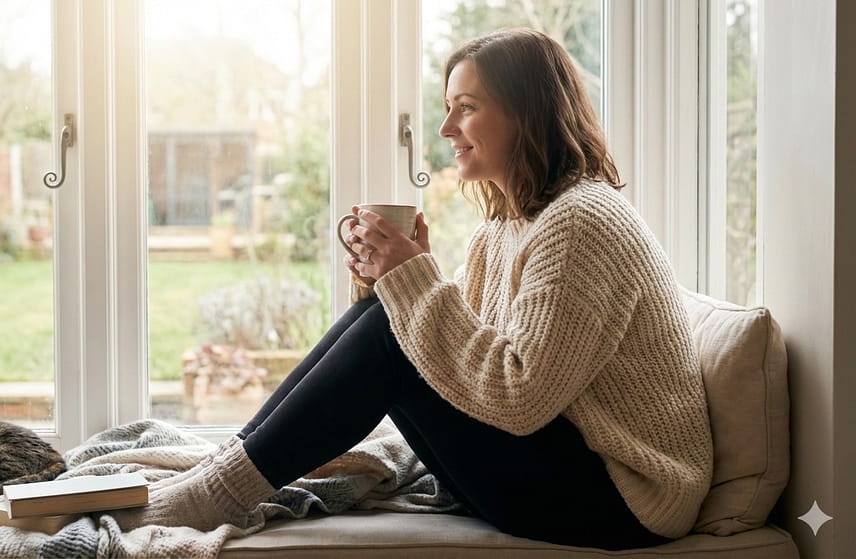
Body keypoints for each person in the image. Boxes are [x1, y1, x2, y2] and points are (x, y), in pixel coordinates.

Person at [117, 28, 713, 550]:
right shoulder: (508, 224)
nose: (447, 127)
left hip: (623, 501)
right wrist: (388, 278)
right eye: (448, 108)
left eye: (466, 107)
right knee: (383, 313)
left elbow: (520, 398)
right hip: (564, 468)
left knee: (390, 327)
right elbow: (456, 355)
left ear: (526, 114)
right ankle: (223, 472)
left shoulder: (581, 223)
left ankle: (216, 493)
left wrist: (412, 282)